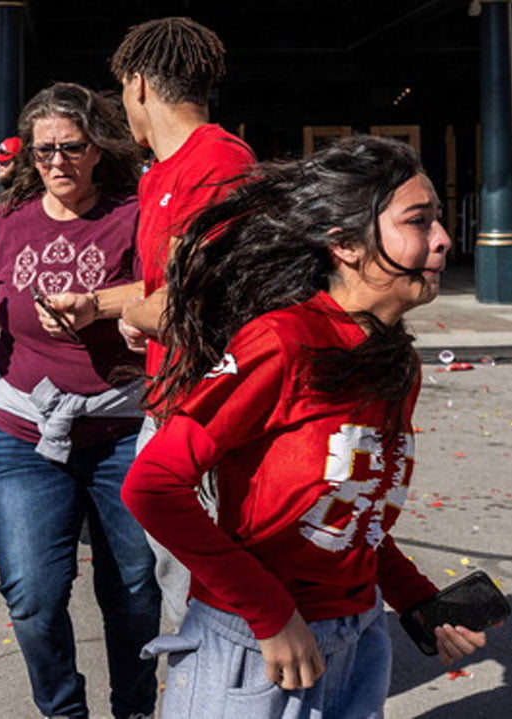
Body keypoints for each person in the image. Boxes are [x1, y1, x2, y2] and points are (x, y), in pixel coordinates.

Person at [122, 136, 487, 717]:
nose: (443, 239)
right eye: (419, 222)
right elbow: (152, 486)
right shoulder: (283, 342)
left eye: (437, 220)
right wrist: (268, 612)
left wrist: (415, 599)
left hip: (359, 641)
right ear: (344, 244)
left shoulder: (396, 360)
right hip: (253, 649)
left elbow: (350, 508)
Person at [0, 82, 160, 719]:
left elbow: (165, 290)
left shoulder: (133, 213)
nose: (56, 161)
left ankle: (135, 710)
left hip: (120, 431)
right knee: (32, 596)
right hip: (26, 435)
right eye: (43, 151)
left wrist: (108, 308)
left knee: (135, 595)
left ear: (96, 149)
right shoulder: (9, 219)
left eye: (71, 147)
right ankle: (64, 713)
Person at [105, 15, 256, 628]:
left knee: (209, 597)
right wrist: (112, 306)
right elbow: (162, 292)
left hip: (210, 410)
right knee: (180, 587)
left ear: (138, 84)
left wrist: (140, 311)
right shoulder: (159, 174)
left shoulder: (219, 161)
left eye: (121, 91)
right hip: (169, 399)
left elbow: (194, 302)